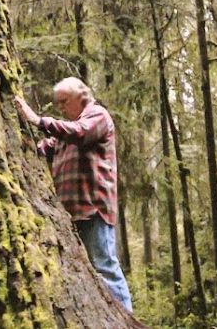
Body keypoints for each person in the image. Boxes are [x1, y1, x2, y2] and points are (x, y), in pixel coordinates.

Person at [14, 77, 133, 312]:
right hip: (70, 215)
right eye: (58, 104)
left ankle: (127, 320)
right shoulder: (65, 132)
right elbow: (45, 147)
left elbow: (79, 132)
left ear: (82, 96)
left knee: (105, 266)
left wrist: (38, 120)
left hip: (93, 208)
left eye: (64, 102)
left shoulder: (98, 116)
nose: (61, 108)